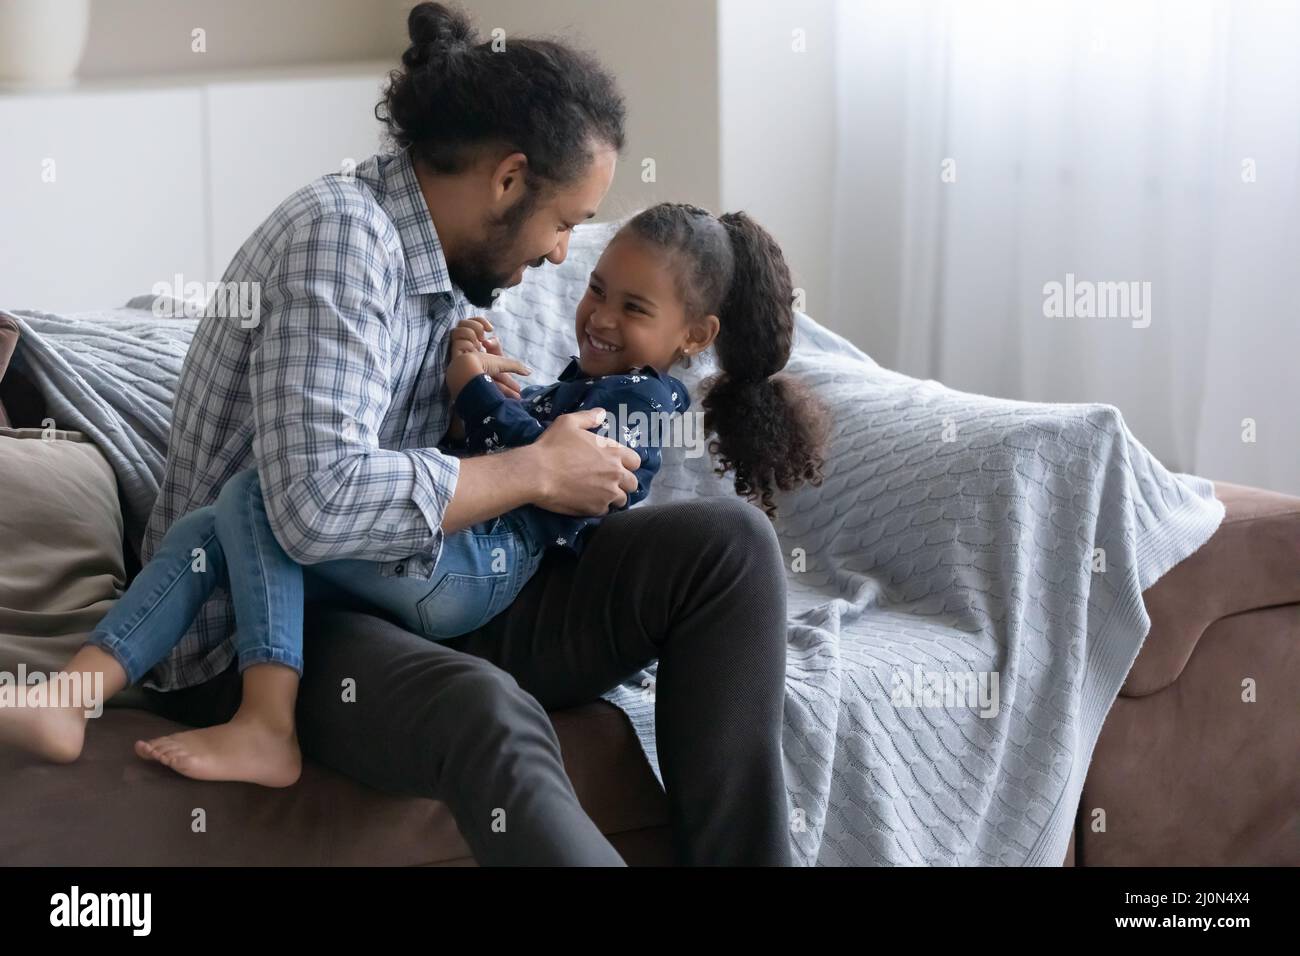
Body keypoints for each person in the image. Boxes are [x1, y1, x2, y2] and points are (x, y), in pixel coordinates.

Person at [3, 3, 808, 865]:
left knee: (731, 545)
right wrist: (536, 470)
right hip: (274, 614)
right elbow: (313, 508)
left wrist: (496, 410)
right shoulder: (343, 240)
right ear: (507, 180)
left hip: (411, 578)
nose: (563, 254)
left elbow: (440, 470)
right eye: (566, 220)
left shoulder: (449, 270)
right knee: (487, 714)